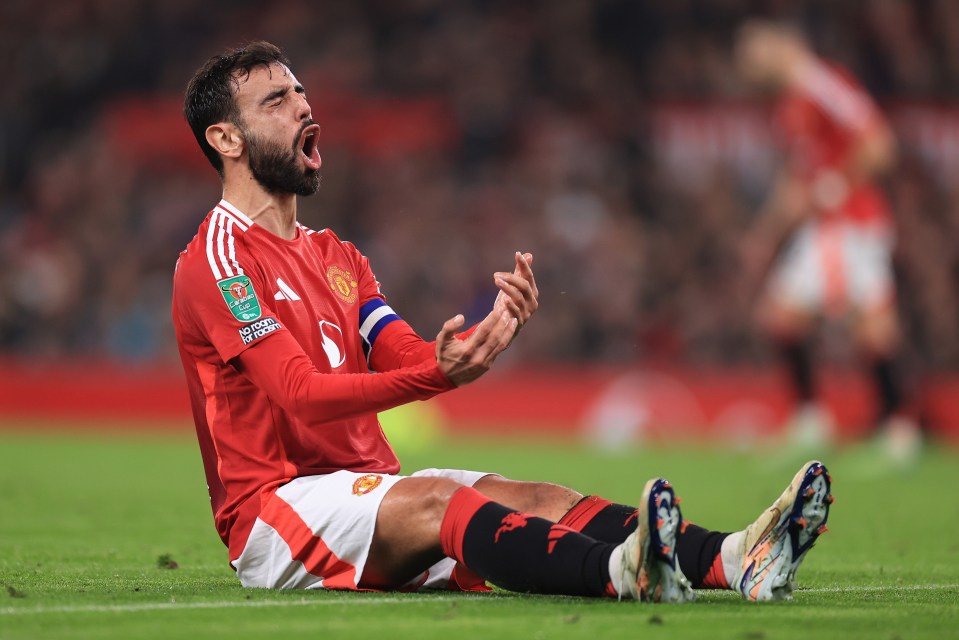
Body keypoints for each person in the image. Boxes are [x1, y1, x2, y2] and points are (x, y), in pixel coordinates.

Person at [172, 41, 831, 602]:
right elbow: (300, 396)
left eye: (300, 92)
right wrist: (437, 377)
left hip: (361, 492)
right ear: (226, 139)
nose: (303, 106)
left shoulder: (335, 255)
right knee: (437, 500)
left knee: (538, 497)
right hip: (280, 513)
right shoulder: (218, 261)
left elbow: (403, 351)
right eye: (276, 102)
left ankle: (737, 556)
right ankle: (621, 571)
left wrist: (469, 346)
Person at [735, 21, 920, 461]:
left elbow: (879, 142)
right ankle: (848, 423)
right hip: (827, 226)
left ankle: (893, 427)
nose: (750, 67)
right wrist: (765, 235)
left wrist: (838, 182)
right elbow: (798, 183)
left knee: (868, 325)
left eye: (755, 54)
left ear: (780, 47)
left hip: (851, 222)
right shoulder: (790, 106)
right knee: (791, 319)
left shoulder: (822, 84)